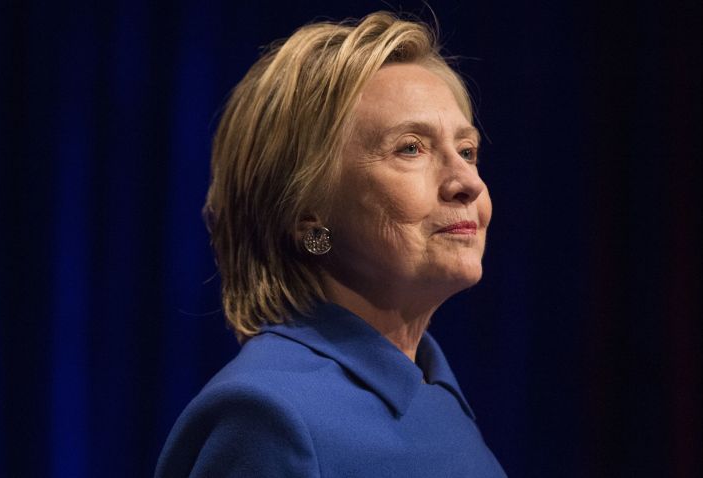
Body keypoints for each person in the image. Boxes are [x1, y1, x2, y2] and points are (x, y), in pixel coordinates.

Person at [156, 11, 506, 477]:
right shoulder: (269, 417)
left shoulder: (437, 393)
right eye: (410, 148)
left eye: (466, 151)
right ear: (308, 217)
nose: (467, 182)